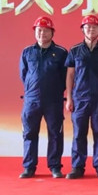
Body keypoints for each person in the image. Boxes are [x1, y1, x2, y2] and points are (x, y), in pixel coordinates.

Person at [65, 15, 98, 179]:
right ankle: (77, 167)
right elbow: (70, 75)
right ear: (83, 30)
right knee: (79, 134)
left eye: (94, 27)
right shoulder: (75, 50)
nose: (91, 30)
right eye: (87, 27)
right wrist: (69, 98)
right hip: (80, 99)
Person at [18, 16, 68, 179]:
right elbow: (24, 75)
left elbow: (66, 77)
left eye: (46, 30)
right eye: (39, 30)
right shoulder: (27, 52)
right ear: (35, 32)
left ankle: (55, 166)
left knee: (55, 134)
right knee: (29, 133)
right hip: (31, 100)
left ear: (52, 32)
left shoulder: (61, 52)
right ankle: (29, 167)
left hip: (53, 100)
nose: (42, 33)